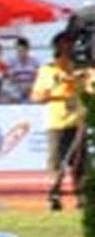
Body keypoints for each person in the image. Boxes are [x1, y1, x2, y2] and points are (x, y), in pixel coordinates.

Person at [32, 31, 92, 210]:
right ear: (57, 48)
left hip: (79, 122)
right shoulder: (48, 70)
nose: (70, 48)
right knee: (57, 163)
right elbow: (37, 97)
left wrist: (84, 79)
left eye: (72, 44)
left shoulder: (83, 69)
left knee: (80, 163)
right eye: (66, 45)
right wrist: (57, 85)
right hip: (57, 123)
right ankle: (53, 197)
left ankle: (82, 198)